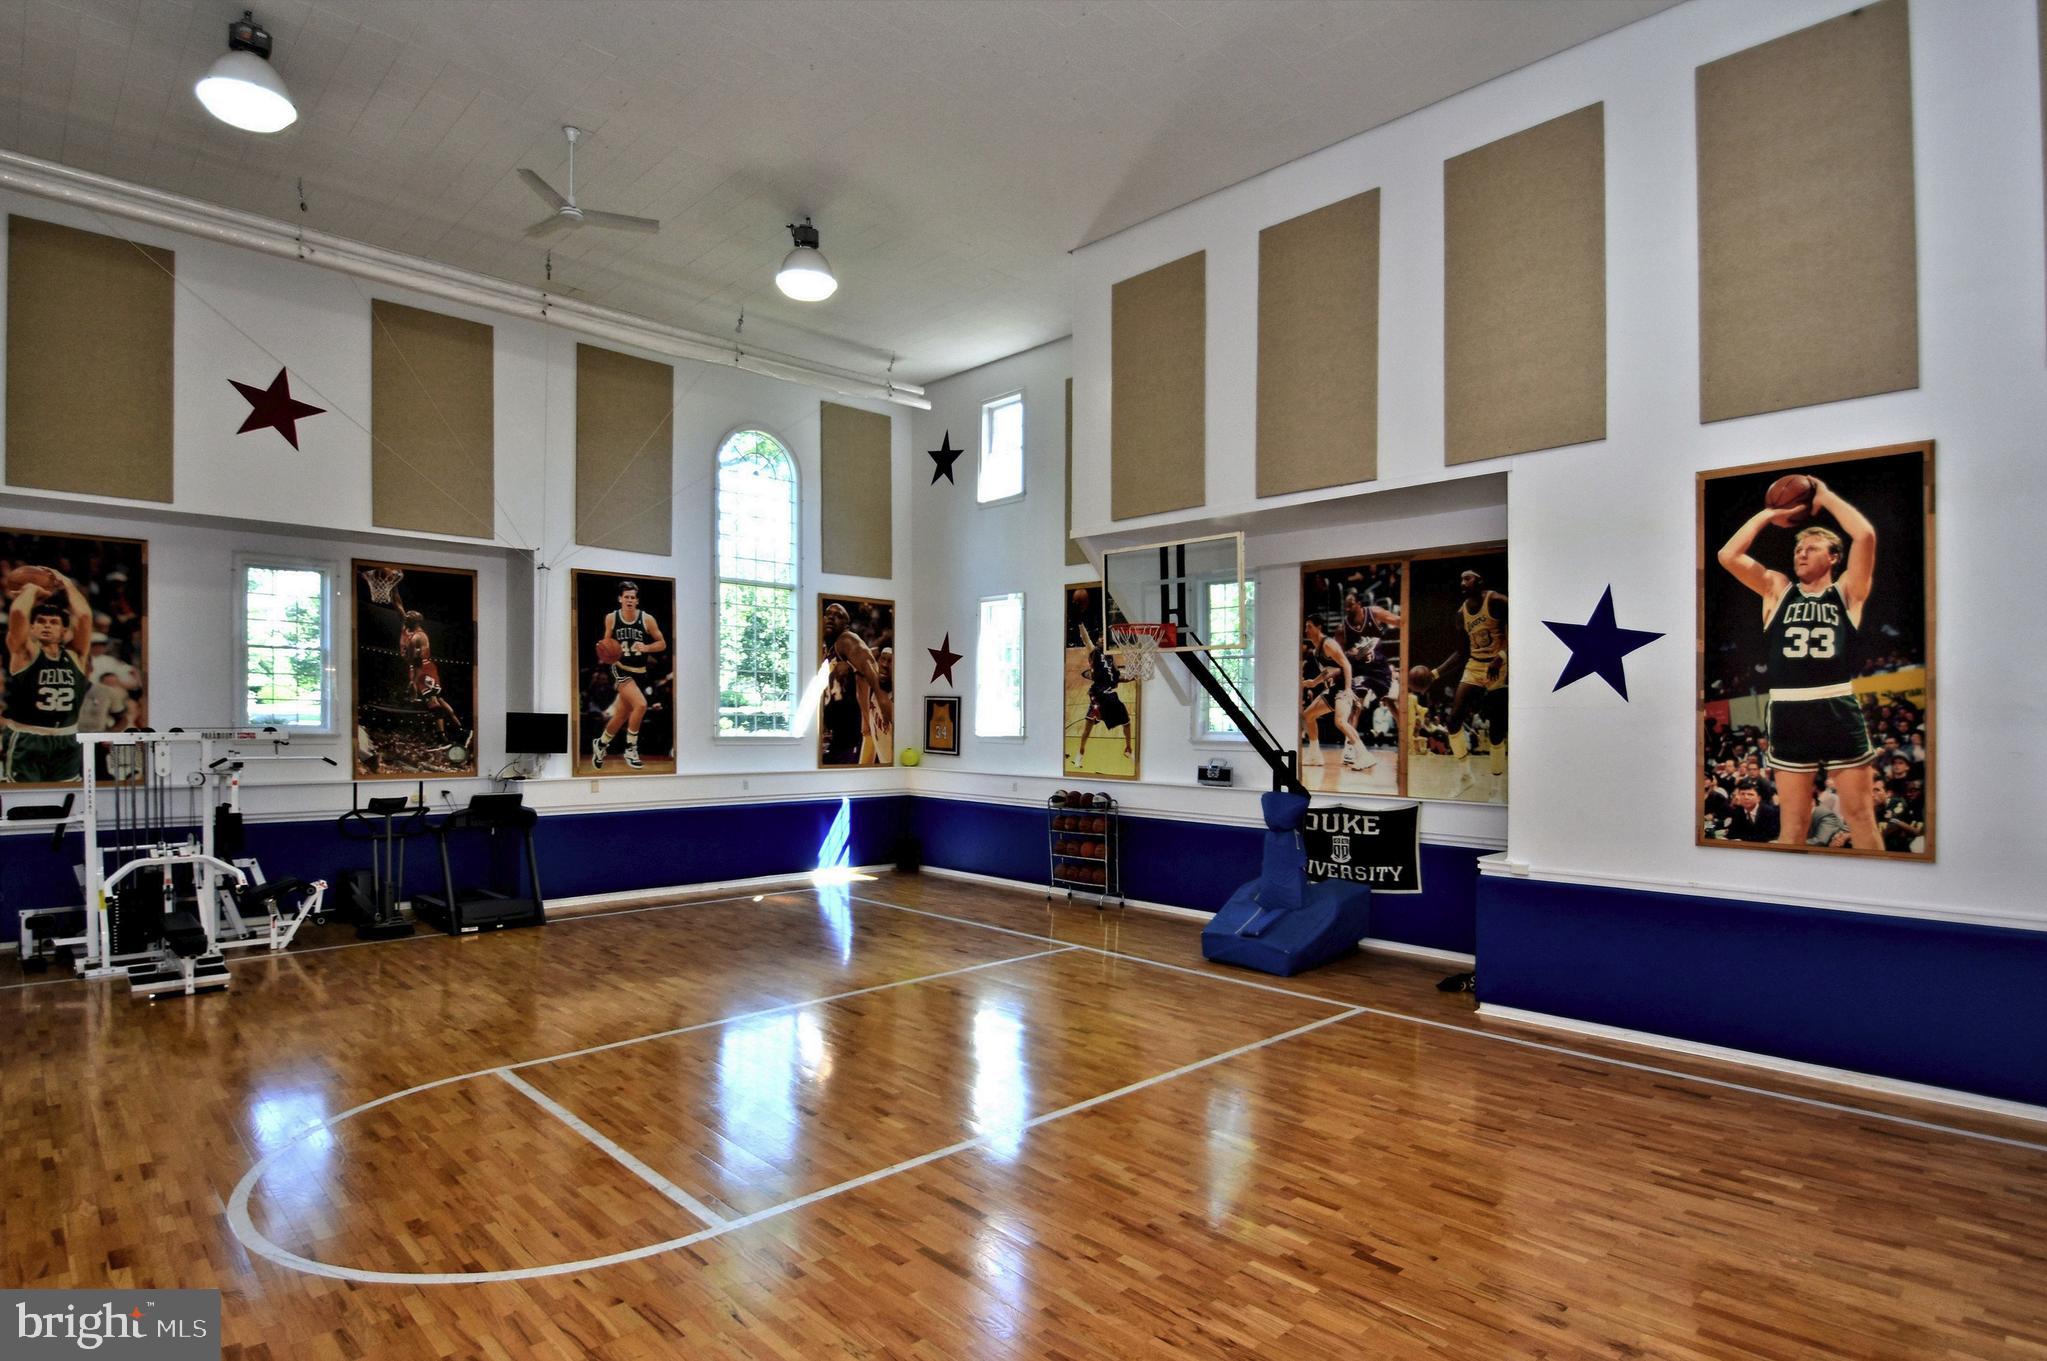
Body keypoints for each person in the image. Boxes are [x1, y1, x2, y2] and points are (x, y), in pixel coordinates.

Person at [1716, 476, 1881, 852]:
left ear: (1833, 556)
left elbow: (1865, 535)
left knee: (1860, 816)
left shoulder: (1848, 591)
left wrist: (1826, 496)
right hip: (1789, 708)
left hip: (1837, 704)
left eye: (1811, 548)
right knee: (1793, 826)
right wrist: (1768, 514)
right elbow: (1728, 556)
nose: (1801, 554)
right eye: (1797, 550)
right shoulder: (1777, 587)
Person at [3, 565, 93, 784]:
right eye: (40, 622)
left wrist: (67, 584)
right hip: (28, 738)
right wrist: (31, 590)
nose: (46, 626)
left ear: (64, 632)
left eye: (53, 623)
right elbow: (17, 613)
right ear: (32, 628)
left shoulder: (76, 656)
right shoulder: (24, 653)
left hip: (67, 738)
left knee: (67, 800)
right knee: (24, 804)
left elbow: (84, 616)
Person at [1421, 570, 1508, 795]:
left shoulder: (1497, 601)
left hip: (1501, 664)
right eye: (1460, 579)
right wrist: (1435, 673)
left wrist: (1502, 657)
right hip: (1476, 665)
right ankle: (1466, 775)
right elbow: (1461, 652)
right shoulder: (1461, 615)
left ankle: (1496, 789)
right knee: (1452, 722)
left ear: (1480, 581)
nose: (1462, 582)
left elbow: (1522, 630)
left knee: (1497, 732)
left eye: (1467, 578)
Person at [591, 580, 667, 770]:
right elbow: (606, 640)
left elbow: (662, 643)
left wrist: (647, 647)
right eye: (626, 597)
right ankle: (631, 749)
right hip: (620, 669)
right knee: (641, 705)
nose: (629, 600)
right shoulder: (611, 618)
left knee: (622, 714)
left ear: (637, 600)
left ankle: (601, 744)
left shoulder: (647, 619)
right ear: (620, 599)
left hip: (640, 672)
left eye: (633, 597)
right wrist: (603, 648)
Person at [823, 601, 892, 765]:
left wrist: (882, 703)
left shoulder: (847, 640)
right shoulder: (829, 647)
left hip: (851, 733)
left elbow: (871, 673)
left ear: (846, 624)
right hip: (838, 733)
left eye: (838, 615)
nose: (832, 618)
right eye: (828, 614)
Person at [1300, 616, 1369, 773]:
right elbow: (1327, 671)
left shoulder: (1328, 644)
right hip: (1334, 688)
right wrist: (1314, 682)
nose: (1306, 630)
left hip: (1343, 687)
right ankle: (1315, 755)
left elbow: (1346, 664)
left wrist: (1347, 689)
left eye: (1309, 626)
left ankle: (1364, 755)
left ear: (1319, 627)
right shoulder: (1317, 649)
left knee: (1340, 722)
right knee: (1308, 716)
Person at [1337, 591, 1401, 758]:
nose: (1347, 608)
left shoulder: (1374, 613)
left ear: (1359, 603)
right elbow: (1339, 654)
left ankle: (1406, 740)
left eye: (1350, 605)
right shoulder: (1343, 627)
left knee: (1390, 703)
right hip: (1361, 671)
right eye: (1345, 606)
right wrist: (1354, 653)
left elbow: (1400, 621)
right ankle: (1349, 747)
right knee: (1356, 707)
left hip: (1380, 668)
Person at [1071, 624, 1133, 766]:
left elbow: (1118, 679)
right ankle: (1080, 752)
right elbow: (1086, 640)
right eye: (1100, 637)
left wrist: (1131, 677)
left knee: (1127, 723)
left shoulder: (1112, 661)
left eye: (1105, 638)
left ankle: (1128, 748)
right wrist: (1080, 623)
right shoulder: (1095, 652)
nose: (1102, 639)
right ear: (1098, 640)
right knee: (1088, 728)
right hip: (1099, 696)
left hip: (1110, 696)